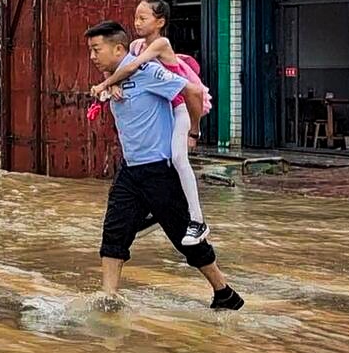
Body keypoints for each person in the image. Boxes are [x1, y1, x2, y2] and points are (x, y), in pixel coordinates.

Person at [85, 20, 242, 311]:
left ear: (118, 48)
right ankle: (108, 297)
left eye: (97, 50)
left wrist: (193, 132)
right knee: (114, 231)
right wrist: (111, 82)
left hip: (160, 170)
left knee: (185, 238)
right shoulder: (116, 75)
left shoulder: (147, 71)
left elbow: (193, 92)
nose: (92, 57)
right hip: (131, 171)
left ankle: (224, 292)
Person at [91, 0, 211, 246]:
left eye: (143, 18)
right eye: (135, 17)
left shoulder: (161, 44)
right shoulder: (135, 45)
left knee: (178, 158)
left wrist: (194, 132)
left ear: (160, 22)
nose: (136, 23)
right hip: (166, 106)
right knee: (160, 167)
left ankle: (198, 221)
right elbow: (117, 66)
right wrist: (112, 83)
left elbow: (132, 68)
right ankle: (154, 212)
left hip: (180, 108)